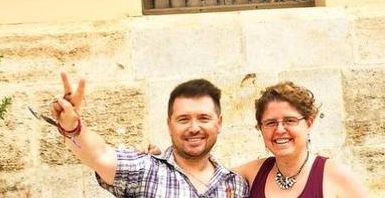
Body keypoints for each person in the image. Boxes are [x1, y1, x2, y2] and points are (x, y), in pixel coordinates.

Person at [50, 72, 249, 198]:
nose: (194, 127)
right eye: (183, 119)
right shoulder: (145, 170)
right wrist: (73, 127)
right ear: (169, 124)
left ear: (219, 123)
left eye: (204, 118)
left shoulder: (236, 186)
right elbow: (98, 155)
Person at [234, 81, 369, 198]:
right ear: (260, 128)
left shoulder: (336, 175)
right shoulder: (251, 174)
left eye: (290, 120)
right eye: (270, 123)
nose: (280, 130)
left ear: (309, 123)